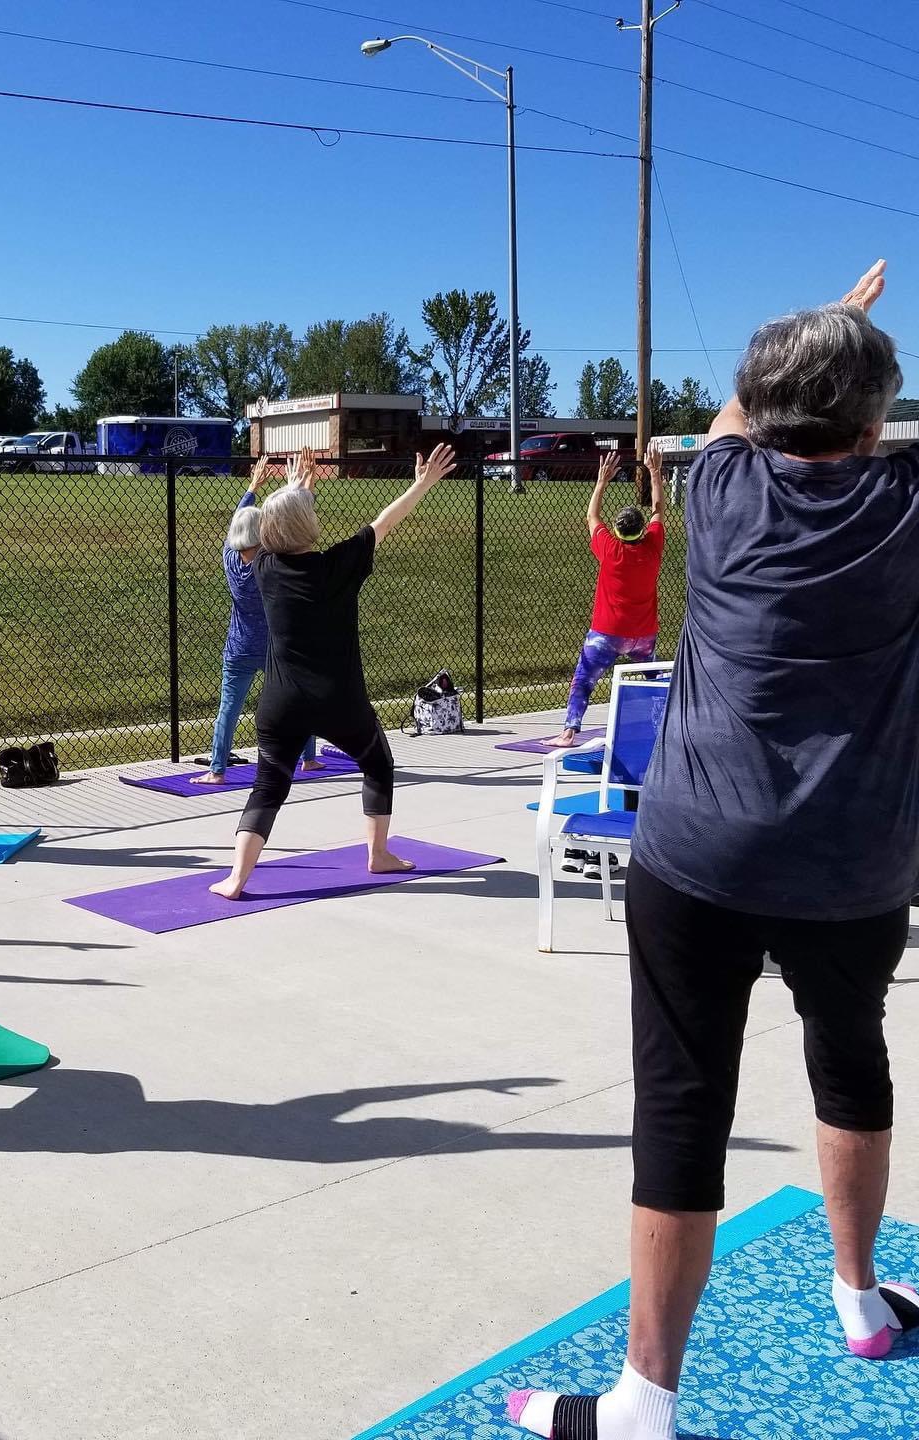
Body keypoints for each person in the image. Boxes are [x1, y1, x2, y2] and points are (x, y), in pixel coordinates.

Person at [509, 259, 919, 1440]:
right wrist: (855, 351)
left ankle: (647, 1402)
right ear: (876, 418)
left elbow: (739, 411)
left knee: (682, 1105)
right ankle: (860, 1304)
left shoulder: (725, 485)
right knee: (853, 1062)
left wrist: (839, 318)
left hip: (695, 860)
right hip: (852, 870)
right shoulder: (904, 505)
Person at [209, 443, 457, 899]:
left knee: (268, 787)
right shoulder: (338, 566)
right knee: (378, 763)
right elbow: (385, 522)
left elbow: (277, 525)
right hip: (339, 700)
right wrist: (422, 483)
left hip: (281, 705)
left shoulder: (263, 568)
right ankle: (378, 854)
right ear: (310, 526)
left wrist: (295, 486)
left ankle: (236, 879)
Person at [193, 450, 321, 785]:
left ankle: (216, 770)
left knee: (229, 709)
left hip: (239, 647)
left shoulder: (230, 559)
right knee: (298, 701)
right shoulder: (271, 562)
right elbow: (291, 527)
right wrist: (303, 488)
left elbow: (240, 522)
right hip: (275, 647)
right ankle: (308, 759)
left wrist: (252, 487)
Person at [551, 443, 666, 749]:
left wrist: (601, 481)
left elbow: (591, 516)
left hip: (607, 633)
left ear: (616, 530)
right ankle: (665, 732)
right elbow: (658, 511)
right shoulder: (652, 547)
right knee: (655, 681)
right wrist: (655, 473)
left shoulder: (609, 549)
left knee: (584, 680)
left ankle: (569, 732)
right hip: (643, 636)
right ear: (642, 531)